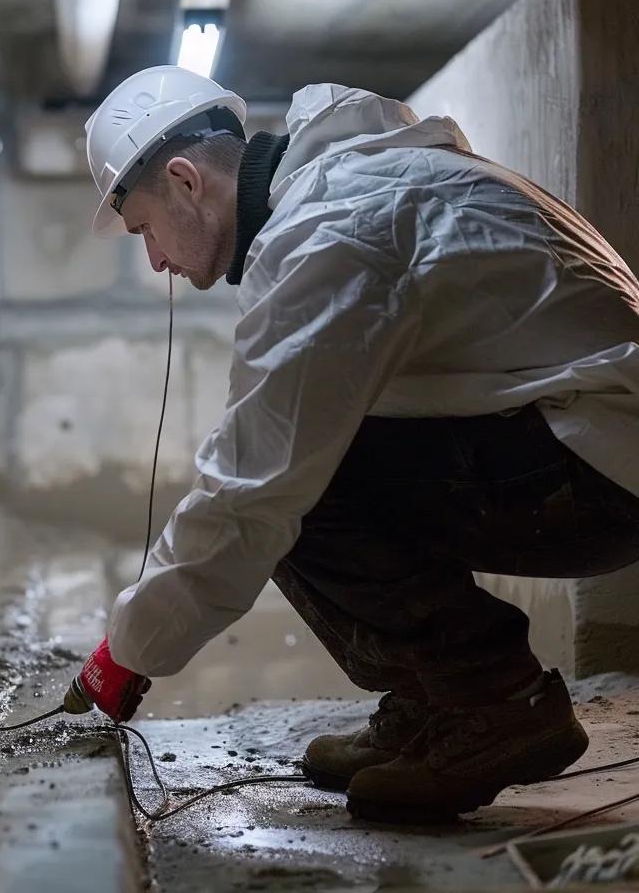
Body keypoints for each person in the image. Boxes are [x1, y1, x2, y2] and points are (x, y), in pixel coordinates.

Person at [66, 66, 639, 822]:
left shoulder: (328, 231)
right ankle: (435, 700)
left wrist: (128, 648)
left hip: (601, 472)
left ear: (184, 181)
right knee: (300, 458)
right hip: (585, 449)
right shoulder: (348, 189)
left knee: (292, 481)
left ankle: (496, 702)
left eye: (145, 229)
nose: (156, 261)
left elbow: (249, 490)